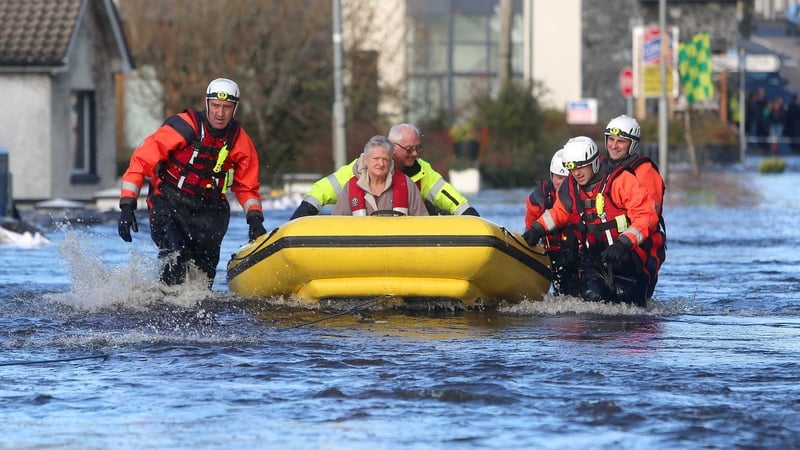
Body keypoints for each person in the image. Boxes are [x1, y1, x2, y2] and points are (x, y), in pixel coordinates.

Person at [117, 77, 267, 288]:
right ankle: (165, 306)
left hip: (210, 211)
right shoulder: (183, 127)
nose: (220, 113)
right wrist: (127, 207)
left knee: (203, 278)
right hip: (168, 201)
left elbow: (247, 187)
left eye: (227, 107)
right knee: (177, 255)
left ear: (235, 109)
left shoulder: (240, 142)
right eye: (215, 106)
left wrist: (254, 219)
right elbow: (140, 162)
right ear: (207, 104)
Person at [523, 137, 660, 307]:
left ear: (594, 162)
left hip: (628, 258)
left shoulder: (621, 181)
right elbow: (559, 212)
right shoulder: (570, 186)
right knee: (592, 302)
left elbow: (646, 217)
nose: (577, 173)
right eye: (572, 168)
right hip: (595, 258)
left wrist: (623, 243)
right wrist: (537, 229)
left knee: (630, 308)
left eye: (581, 166)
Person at [291, 123, 479, 219]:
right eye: (409, 149)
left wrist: (470, 215)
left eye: (418, 148)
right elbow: (323, 190)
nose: (415, 154)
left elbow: (450, 197)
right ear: (393, 147)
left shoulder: (423, 173)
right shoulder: (356, 172)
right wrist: (301, 216)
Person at [603, 114, 666, 298]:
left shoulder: (645, 171)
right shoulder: (601, 166)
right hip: (609, 244)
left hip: (639, 249)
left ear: (632, 144)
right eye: (611, 140)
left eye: (620, 141)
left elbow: (649, 219)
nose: (614, 146)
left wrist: (623, 243)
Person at [524, 148, 581, 297]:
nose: (561, 182)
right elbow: (529, 231)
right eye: (558, 177)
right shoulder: (538, 199)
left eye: (566, 177)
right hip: (552, 256)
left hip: (579, 257)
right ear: (551, 176)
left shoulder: (582, 195)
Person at [332, 135, 428, 216]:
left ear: (391, 162)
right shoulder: (351, 187)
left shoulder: (407, 185)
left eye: (385, 159)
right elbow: (337, 227)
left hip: (397, 239)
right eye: (376, 158)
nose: (381, 164)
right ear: (365, 160)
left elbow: (423, 224)